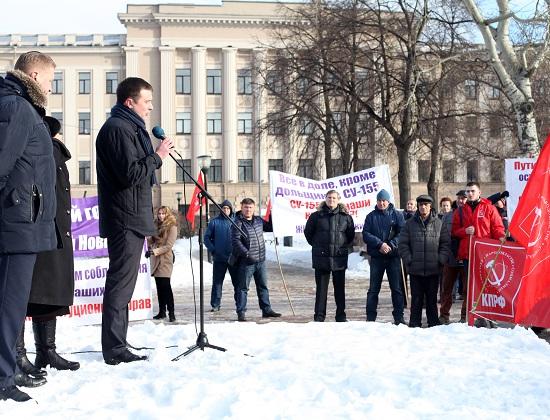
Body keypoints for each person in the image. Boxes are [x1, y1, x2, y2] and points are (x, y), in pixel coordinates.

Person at [96, 77, 174, 365]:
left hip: (131, 216)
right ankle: (114, 349)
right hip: (124, 218)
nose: (150, 108)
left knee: (124, 284)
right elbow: (130, 174)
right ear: (130, 102)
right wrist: (157, 156)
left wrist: (154, 156)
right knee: (120, 283)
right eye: (147, 102)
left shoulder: (129, 127)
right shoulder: (117, 129)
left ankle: (119, 343)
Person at [0, 52, 57, 402]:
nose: (52, 87)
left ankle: (9, 368)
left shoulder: (18, 105)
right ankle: (3, 378)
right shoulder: (17, 108)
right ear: (34, 75)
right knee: (9, 306)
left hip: (22, 222)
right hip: (16, 223)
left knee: (12, 305)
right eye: (51, 80)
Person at [14, 116, 79, 392]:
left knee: (48, 291)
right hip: (38, 227)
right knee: (23, 295)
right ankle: (18, 356)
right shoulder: (40, 149)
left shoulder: (52, 152)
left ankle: (46, 351)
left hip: (52, 229)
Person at [452, 182, 505, 323]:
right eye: (468, 191)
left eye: (472, 191)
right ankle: (468, 317)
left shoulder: (489, 208)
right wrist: (464, 231)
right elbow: (454, 231)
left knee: (487, 287)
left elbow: (497, 227)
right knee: (469, 288)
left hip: (486, 255)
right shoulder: (460, 211)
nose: (470, 193)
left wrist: (501, 236)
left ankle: (488, 317)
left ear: (479, 192)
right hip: (468, 254)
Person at [399, 195, 450, 327]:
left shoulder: (439, 223)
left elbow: (445, 244)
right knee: (416, 299)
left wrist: (441, 259)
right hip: (415, 269)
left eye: (426, 205)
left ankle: (433, 322)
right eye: (421, 205)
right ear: (418, 206)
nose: (423, 207)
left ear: (430, 206)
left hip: (433, 269)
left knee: (432, 299)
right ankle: (415, 322)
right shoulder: (409, 224)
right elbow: (403, 244)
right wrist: (409, 260)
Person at [304, 190, 355, 322]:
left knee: (340, 289)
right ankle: (319, 316)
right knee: (321, 290)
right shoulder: (316, 216)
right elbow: (308, 233)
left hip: (339, 258)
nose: (331, 200)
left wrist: (341, 247)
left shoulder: (346, 217)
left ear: (338, 199)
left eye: (333, 198)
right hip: (322, 258)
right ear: (325, 199)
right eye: (329, 197)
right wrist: (317, 246)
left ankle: (340, 316)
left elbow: (350, 236)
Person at [230, 198, 281, 322]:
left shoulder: (258, 220)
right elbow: (235, 242)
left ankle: (266, 309)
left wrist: (274, 215)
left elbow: (269, 227)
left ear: (254, 208)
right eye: (246, 207)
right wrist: (247, 254)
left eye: (250, 207)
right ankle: (241, 312)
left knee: (263, 286)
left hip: (261, 261)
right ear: (241, 208)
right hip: (246, 262)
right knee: (242, 288)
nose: (248, 210)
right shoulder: (237, 223)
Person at [362, 189, 406, 324]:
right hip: (377, 257)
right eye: (379, 201)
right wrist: (380, 244)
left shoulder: (397, 215)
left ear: (388, 201)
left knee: (396, 289)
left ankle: (399, 317)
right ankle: (370, 318)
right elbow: (366, 234)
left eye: (384, 201)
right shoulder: (371, 216)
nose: (382, 203)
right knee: (373, 289)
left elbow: (402, 232)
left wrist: (391, 245)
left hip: (393, 257)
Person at [204, 200, 239, 312]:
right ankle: (215, 304)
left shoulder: (236, 222)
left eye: (228, 208)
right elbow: (206, 238)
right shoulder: (214, 222)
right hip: (219, 258)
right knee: (217, 282)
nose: (226, 210)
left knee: (237, 282)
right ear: (220, 210)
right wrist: (213, 250)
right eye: (224, 208)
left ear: (231, 210)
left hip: (234, 258)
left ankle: (239, 303)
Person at [439, 190, 468, 324]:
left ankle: (464, 316)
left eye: (464, 198)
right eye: (459, 198)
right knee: (447, 288)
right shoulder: (448, 215)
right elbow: (443, 236)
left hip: (466, 257)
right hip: (450, 257)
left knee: (466, 290)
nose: (461, 200)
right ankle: (444, 315)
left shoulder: (471, 214)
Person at [147, 206, 178, 322]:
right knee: (159, 287)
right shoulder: (155, 225)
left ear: (167, 214)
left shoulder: (172, 227)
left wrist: (155, 251)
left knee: (166, 287)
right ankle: (162, 312)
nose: (160, 216)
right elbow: (153, 241)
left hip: (165, 260)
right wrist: (147, 238)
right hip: (156, 259)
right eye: (159, 213)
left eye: (163, 214)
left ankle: (172, 313)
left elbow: (169, 246)